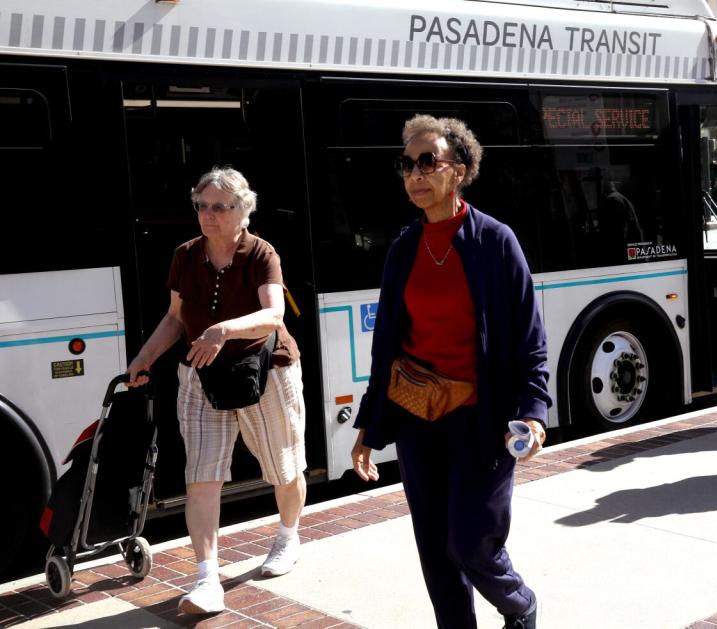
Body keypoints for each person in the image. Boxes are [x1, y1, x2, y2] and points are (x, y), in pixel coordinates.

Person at [350, 115, 550, 629]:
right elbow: (386, 346)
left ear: (458, 170)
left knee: (471, 542)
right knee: (436, 552)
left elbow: (530, 338)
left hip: (482, 420)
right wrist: (371, 429)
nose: (414, 174)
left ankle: (520, 605)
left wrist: (533, 413)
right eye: (406, 165)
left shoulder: (495, 242)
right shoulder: (403, 249)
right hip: (419, 420)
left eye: (426, 162)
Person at [126, 167, 307, 614]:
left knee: (284, 467)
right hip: (201, 374)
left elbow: (273, 315)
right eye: (202, 206)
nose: (208, 216)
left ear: (242, 212)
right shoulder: (185, 255)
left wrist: (221, 330)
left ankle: (287, 536)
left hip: (266, 370)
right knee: (201, 478)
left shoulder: (262, 253)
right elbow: (174, 318)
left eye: (220, 208)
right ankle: (207, 580)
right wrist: (144, 358)